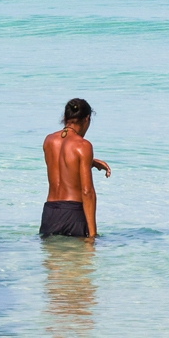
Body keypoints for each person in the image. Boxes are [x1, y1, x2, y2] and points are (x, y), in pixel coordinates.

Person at [40, 98, 110, 239]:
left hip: (50, 213)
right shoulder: (83, 145)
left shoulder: (48, 140)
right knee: (77, 260)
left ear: (65, 118)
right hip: (73, 213)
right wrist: (92, 235)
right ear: (87, 119)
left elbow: (62, 162)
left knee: (53, 259)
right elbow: (87, 192)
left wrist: (90, 161)